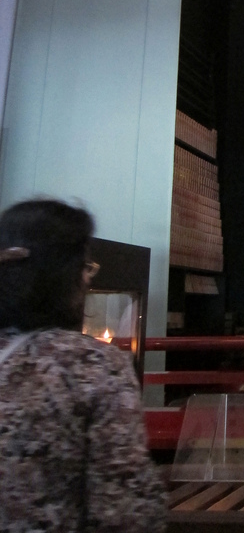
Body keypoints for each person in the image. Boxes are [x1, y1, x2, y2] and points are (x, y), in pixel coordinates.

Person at [0, 199, 165, 533]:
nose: (89, 279)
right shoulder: (93, 366)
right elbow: (125, 512)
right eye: (86, 267)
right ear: (69, 276)